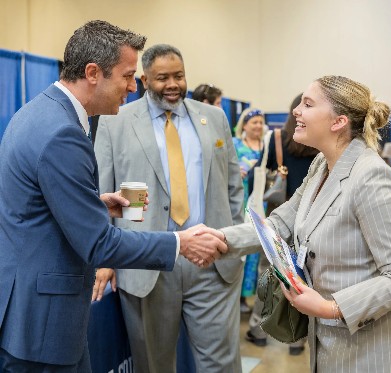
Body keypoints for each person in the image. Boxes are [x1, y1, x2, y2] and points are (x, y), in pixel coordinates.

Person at [0, 21, 225, 373]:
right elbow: (99, 245)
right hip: (43, 325)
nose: (134, 87)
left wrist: (94, 204)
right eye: (127, 76)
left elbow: (34, 206)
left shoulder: (38, 112)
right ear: (93, 73)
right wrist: (179, 243)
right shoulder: (63, 133)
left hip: (28, 312)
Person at [199, 75, 391, 372]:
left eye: (307, 104)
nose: (295, 111)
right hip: (329, 344)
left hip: (372, 350)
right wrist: (219, 238)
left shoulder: (371, 177)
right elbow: (278, 225)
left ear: (338, 122)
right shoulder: (321, 165)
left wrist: (331, 308)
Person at [94, 44, 244, 373]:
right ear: (145, 79)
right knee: (153, 365)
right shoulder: (114, 121)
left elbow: (233, 185)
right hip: (148, 264)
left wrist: (233, 243)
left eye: (179, 75)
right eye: (163, 78)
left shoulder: (215, 118)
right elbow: (102, 193)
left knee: (222, 364)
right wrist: (105, 260)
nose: (173, 84)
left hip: (211, 262)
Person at [245, 95, 318, 354]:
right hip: (310, 219)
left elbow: (257, 172)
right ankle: (297, 341)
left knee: (268, 276)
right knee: (303, 279)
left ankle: (258, 329)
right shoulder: (319, 143)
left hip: (278, 217)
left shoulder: (277, 139)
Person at [232, 108, 265, 314]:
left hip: (261, 201)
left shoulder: (266, 146)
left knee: (256, 252)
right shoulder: (235, 145)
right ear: (244, 125)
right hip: (241, 199)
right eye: (254, 122)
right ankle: (236, 294)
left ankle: (249, 295)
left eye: (261, 123)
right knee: (240, 247)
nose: (258, 126)